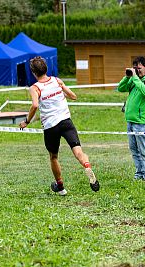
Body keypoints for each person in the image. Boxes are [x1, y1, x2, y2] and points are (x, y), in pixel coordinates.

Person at [19, 56, 99, 195]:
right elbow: (73, 96)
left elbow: (35, 105)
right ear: (46, 68)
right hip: (66, 122)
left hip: (51, 126)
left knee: (54, 156)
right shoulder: (57, 81)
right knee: (78, 151)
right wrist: (59, 91)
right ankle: (87, 166)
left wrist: (26, 121)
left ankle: (60, 187)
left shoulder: (35, 88)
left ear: (33, 72)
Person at [117, 56, 145, 180]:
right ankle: (139, 173)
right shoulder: (134, 79)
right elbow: (120, 88)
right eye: (136, 68)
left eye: (139, 68)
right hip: (130, 120)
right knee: (134, 149)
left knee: (144, 150)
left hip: (142, 121)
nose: (137, 71)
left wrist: (135, 78)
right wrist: (127, 77)